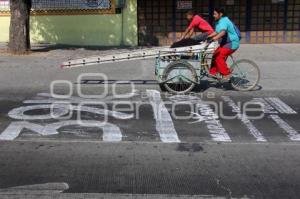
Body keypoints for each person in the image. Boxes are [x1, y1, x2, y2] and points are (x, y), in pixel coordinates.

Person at [209, 8, 241, 80]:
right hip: (225, 43)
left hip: (232, 43)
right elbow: (217, 32)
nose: (213, 15)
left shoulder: (224, 20)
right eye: (213, 14)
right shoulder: (219, 21)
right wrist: (208, 37)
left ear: (220, 14)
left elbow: (222, 32)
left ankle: (226, 74)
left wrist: (214, 38)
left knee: (219, 57)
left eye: (215, 14)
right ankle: (213, 72)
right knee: (214, 54)